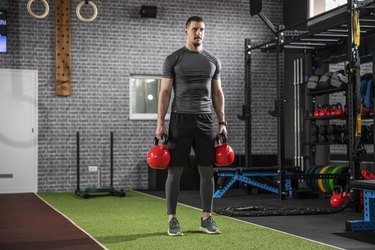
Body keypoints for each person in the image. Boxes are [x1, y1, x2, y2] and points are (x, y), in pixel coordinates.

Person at [155, 16, 227, 236]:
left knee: (207, 171)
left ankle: (206, 218)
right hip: (180, 119)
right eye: (195, 29)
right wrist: (160, 123)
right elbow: (165, 92)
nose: (199, 33)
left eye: (202, 29)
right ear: (185, 30)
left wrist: (222, 122)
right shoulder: (174, 59)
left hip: (205, 120)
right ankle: (172, 220)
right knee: (175, 172)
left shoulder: (212, 60)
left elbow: (217, 93)